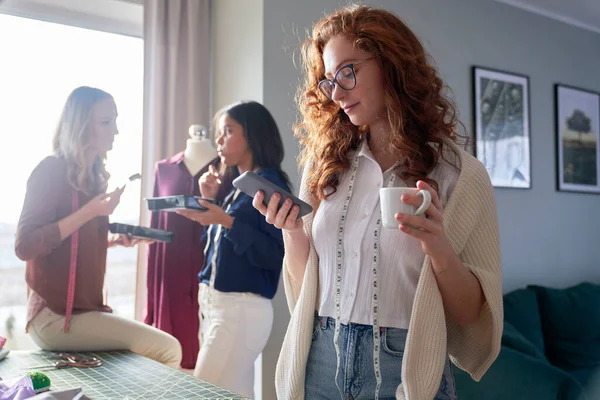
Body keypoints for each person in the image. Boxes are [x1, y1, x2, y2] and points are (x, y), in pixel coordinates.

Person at [253, 5, 502, 400]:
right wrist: (292, 234)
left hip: (405, 366)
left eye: (348, 72)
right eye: (329, 81)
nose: (336, 92)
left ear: (391, 63)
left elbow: (471, 315)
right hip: (319, 361)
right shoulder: (324, 166)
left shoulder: (459, 174)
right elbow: (306, 296)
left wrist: (437, 247)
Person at [15, 86, 182, 368]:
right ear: (81, 126)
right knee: (169, 349)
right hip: (54, 317)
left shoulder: (91, 180)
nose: (115, 130)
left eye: (115, 121)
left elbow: (71, 244)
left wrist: (112, 240)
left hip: (80, 313)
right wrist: (90, 211)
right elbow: (25, 245)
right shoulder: (50, 170)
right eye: (106, 122)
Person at [177, 101, 290, 399]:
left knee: (199, 393)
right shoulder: (237, 188)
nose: (220, 140)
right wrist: (212, 202)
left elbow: (275, 255)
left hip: (239, 310)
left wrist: (225, 220)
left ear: (252, 135)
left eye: (228, 131)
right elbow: (217, 251)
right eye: (219, 133)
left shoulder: (268, 185)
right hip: (216, 307)